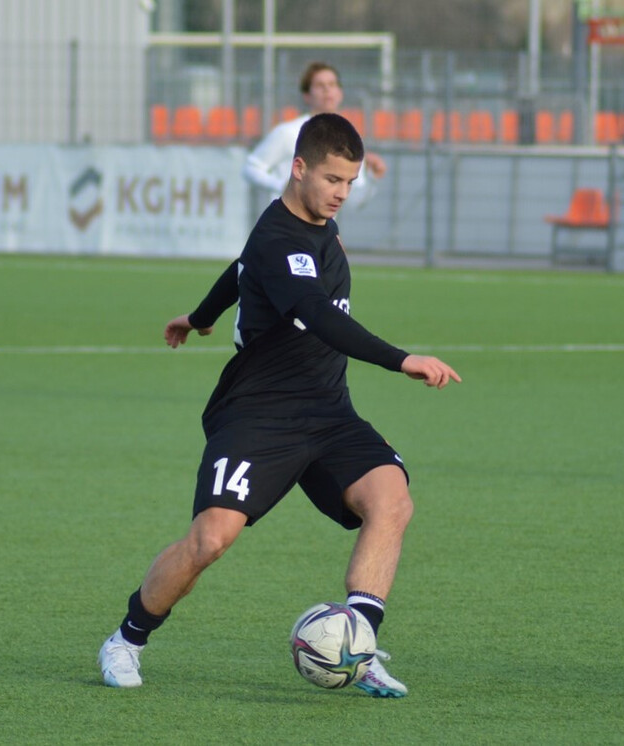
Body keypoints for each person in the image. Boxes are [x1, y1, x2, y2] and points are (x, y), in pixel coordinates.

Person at [98, 113, 459, 698]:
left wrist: (199, 318)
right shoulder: (278, 237)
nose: (343, 192)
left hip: (328, 411)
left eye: (351, 181)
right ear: (299, 169)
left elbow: (239, 270)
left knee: (391, 501)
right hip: (259, 414)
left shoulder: (317, 226)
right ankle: (126, 640)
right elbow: (315, 315)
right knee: (210, 540)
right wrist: (402, 359)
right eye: (333, 179)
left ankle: (355, 649)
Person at [243, 61, 387, 205]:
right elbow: (251, 167)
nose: (327, 90)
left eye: (332, 84)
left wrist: (372, 177)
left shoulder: (349, 139)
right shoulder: (288, 132)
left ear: (340, 93)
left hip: (320, 227)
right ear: (307, 95)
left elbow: (355, 200)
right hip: (286, 223)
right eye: (320, 86)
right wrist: (281, 185)